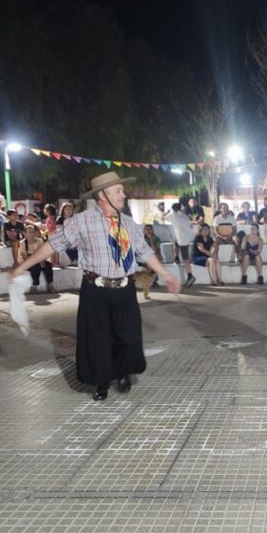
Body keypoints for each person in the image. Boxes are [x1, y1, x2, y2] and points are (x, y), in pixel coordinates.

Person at [10, 171, 181, 401]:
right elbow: (53, 245)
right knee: (98, 338)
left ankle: (123, 372)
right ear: (103, 195)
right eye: (118, 191)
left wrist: (165, 274)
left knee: (128, 336)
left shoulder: (129, 224)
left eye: (122, 190)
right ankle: (101, 381)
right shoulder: (81, 222)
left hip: (125, 289)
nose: (124, 194)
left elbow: (144, 252)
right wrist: (22, 266)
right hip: (95, 289)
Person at [165, 202, 195, 288]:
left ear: (172, 209)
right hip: (187, 237)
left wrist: (165, 212)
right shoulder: (184, 215)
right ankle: (176, 257)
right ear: (180, 208)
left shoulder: (173, 215)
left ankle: (190, 276)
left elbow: (162, 217)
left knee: (185, 260)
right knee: (175, 242)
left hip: (182, 239)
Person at [20, 225, 54, 293]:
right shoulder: (22, 243)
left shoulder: (40, 241)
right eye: (29, 232)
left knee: (48, 265)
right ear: (25, 233)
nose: (32, 233)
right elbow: (25, 257)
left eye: (33, 232)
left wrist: (42, 261)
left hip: (39, 259)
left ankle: (50, 285)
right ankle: (35, 285)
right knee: (35, 267)